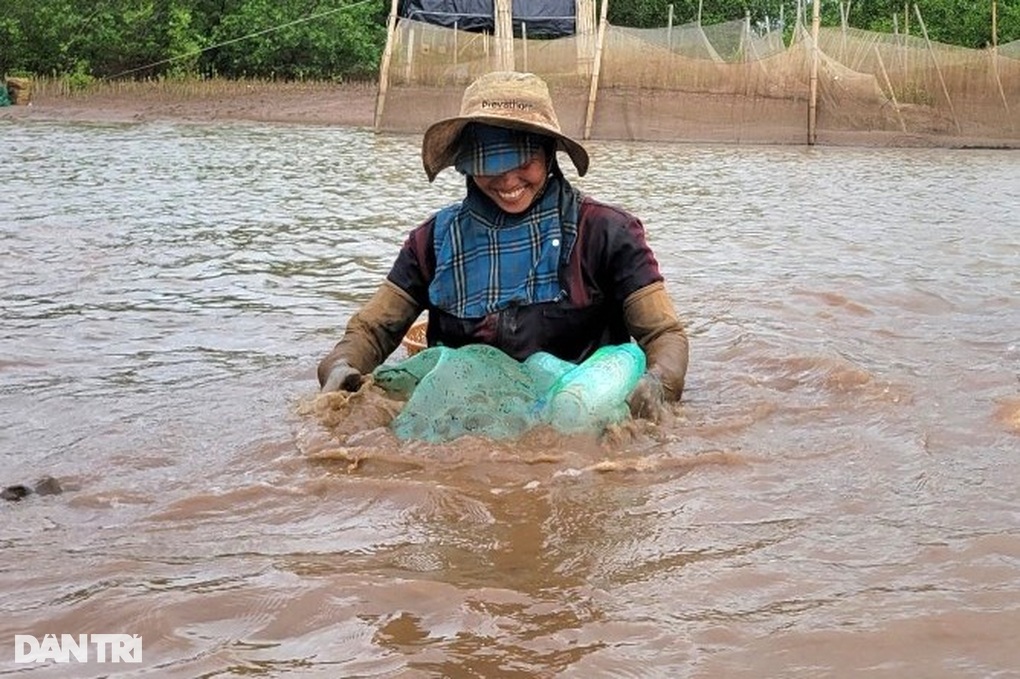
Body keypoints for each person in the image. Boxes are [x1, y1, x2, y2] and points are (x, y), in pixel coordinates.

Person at [318, 71, 688, 421]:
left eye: (523, 161)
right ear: (466, 164)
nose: (508, 180)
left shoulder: (607, 231)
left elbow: (663, 334)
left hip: (575, 416)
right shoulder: (431, 241)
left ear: (548, 154)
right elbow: (371, 331)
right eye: (490, 165)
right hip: (465, 420)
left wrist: (658, 384)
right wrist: (340, 368)